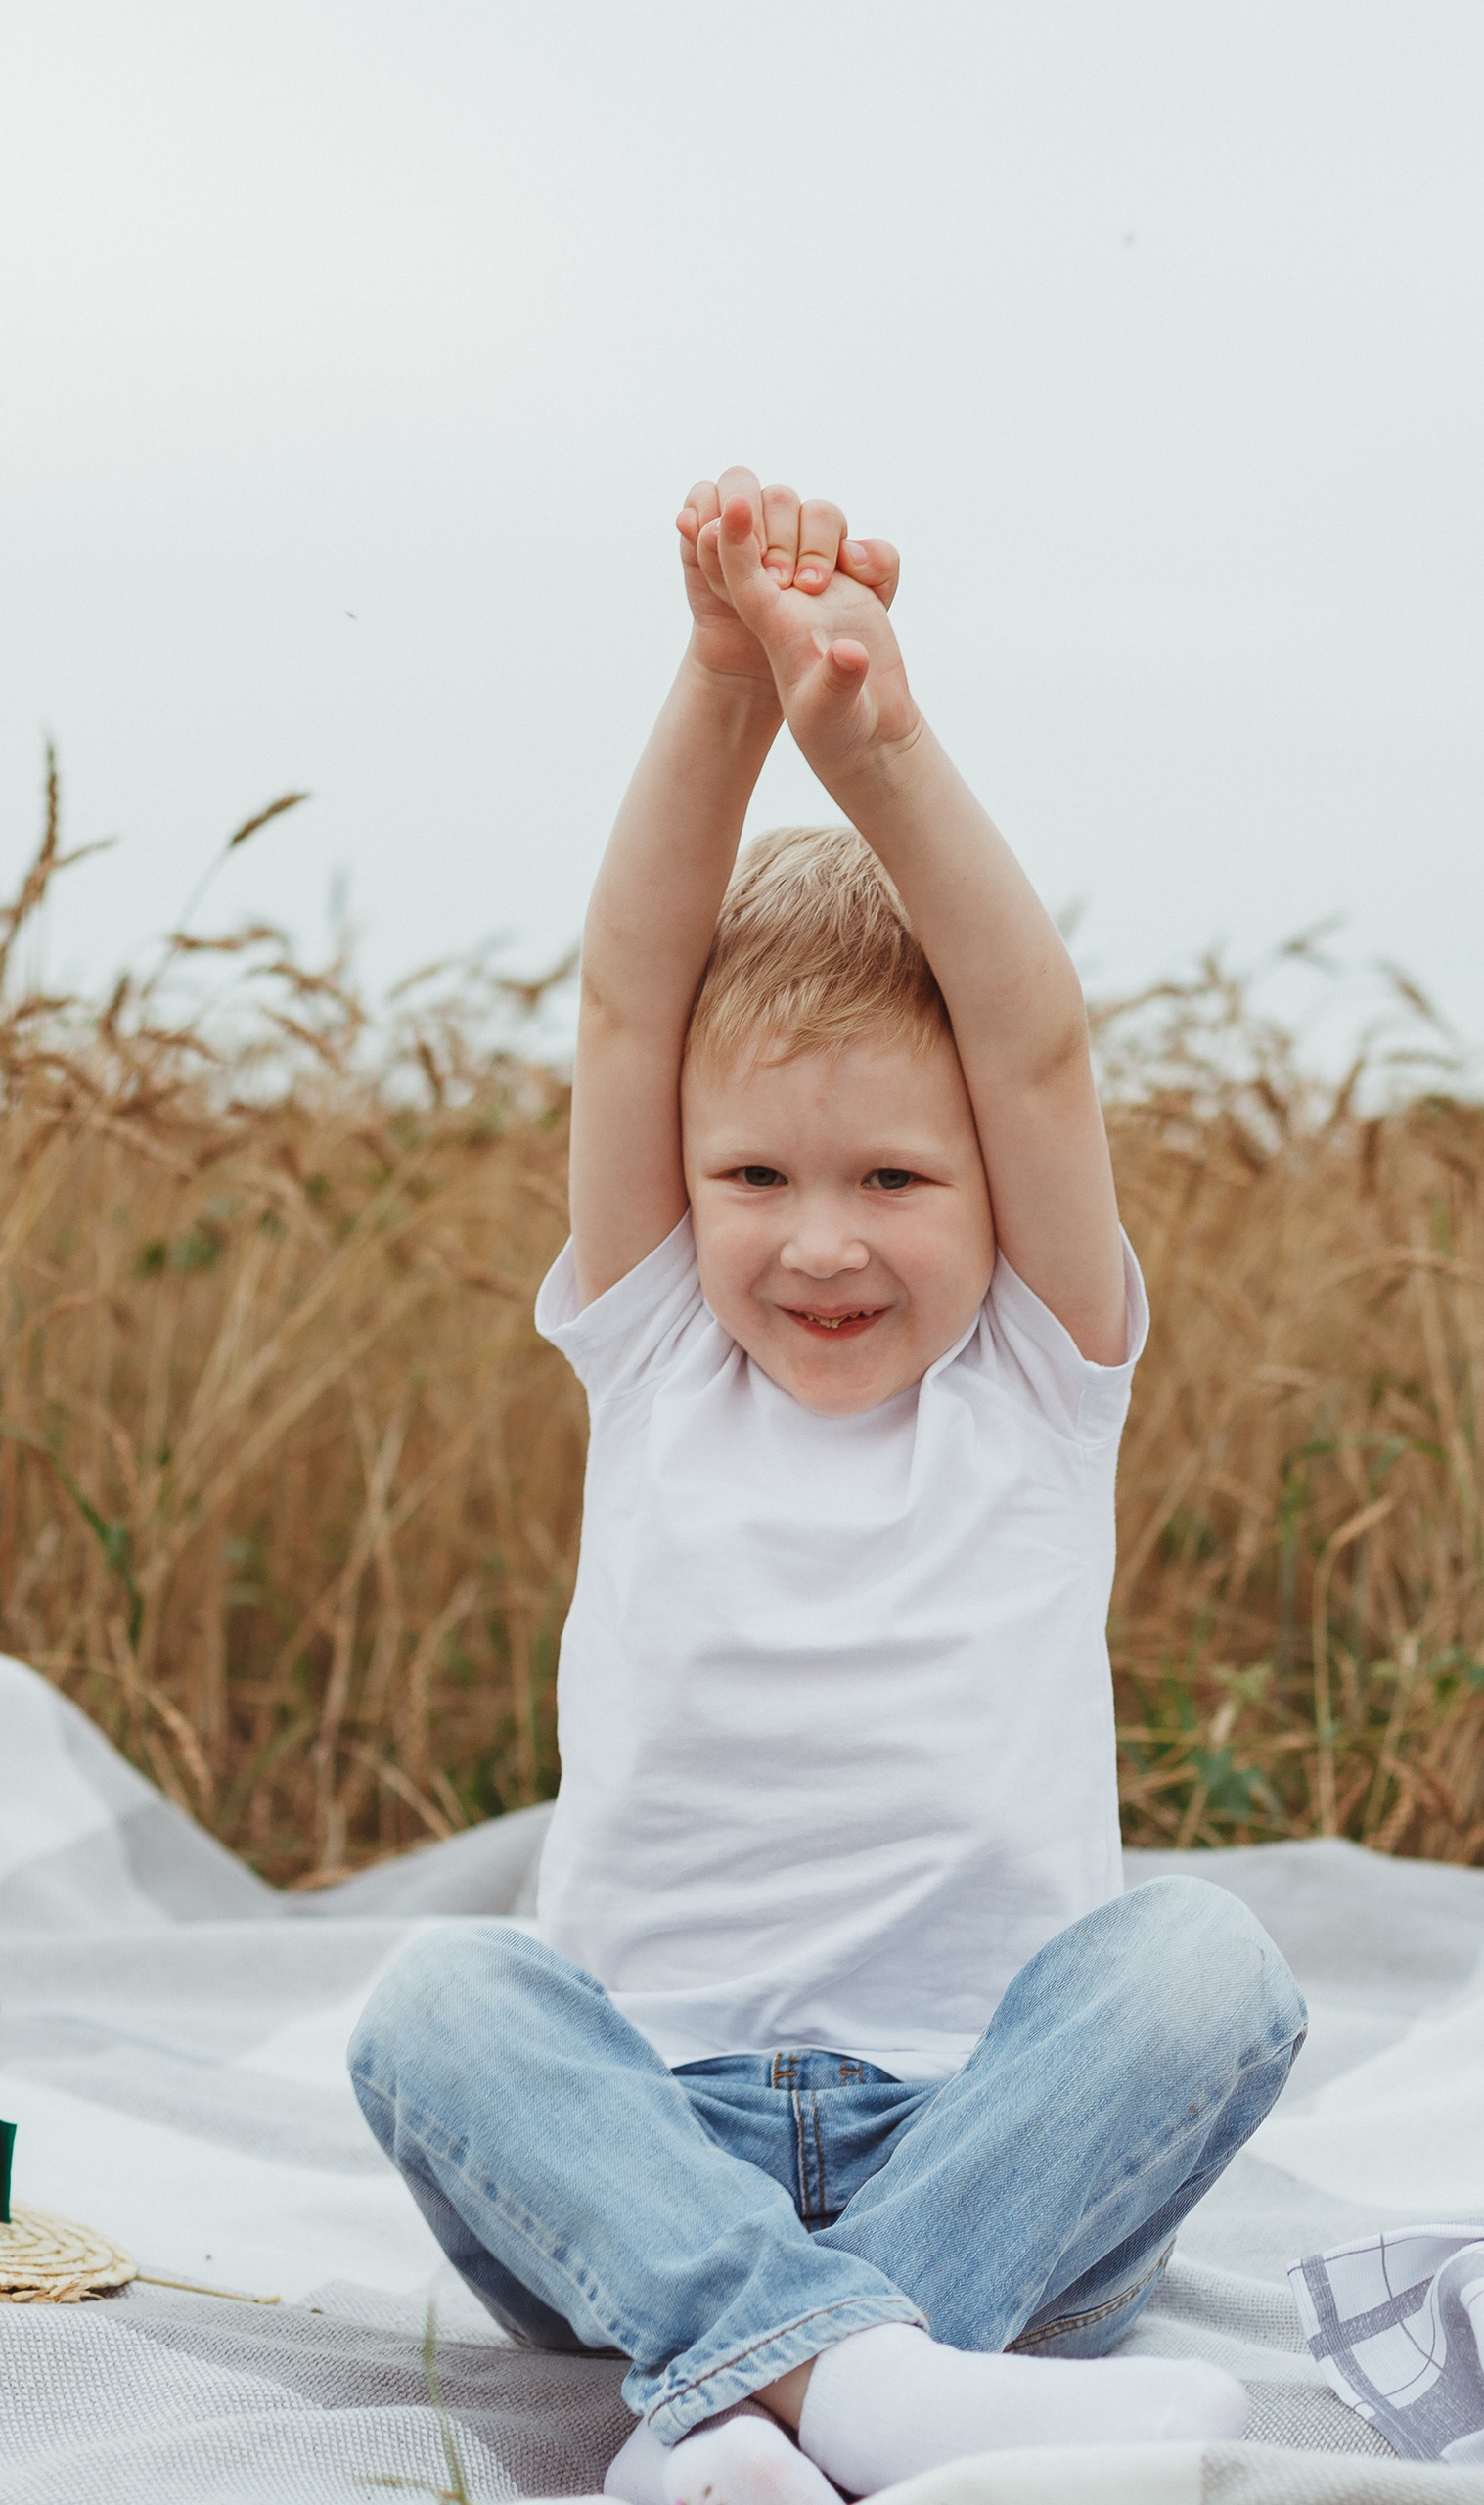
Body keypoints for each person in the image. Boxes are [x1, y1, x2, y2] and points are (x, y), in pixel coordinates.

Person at [349, 467, 1308, 2505]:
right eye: (755, 1179)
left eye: (892, 1177)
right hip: (647, 2155)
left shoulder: (1038, 1377)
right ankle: (876, 2391)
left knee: (1205, 1965)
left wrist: (868, 734)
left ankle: (755, 2400)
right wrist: (715, 676)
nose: (817, 1243)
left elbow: (1032, 1041)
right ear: (683, 1187)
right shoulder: (656, 1344)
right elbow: (628, 998)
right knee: (443, 1997)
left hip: (988, 2140)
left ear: (986, 1180)